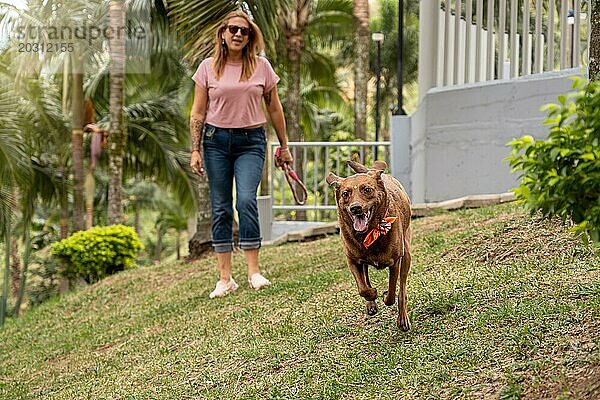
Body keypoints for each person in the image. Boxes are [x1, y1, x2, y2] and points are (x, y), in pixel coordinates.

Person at [189, 10, 293, 299]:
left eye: (244, 31)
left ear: (250, 37)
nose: (237, 34)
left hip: (251, 141)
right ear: (223, 33)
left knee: (246, 199)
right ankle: (224, 278)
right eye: (233, 29)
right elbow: (197, 113)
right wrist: (195, 149)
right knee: (221, 206)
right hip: (215, 142)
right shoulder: (208, 68)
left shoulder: (262, 67)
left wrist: (284, 146)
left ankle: (253, 272)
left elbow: (274, 108)